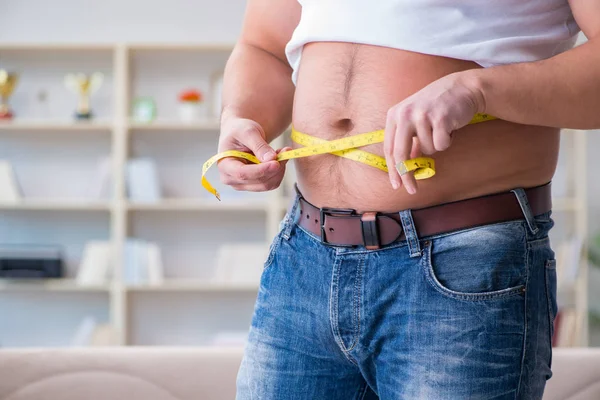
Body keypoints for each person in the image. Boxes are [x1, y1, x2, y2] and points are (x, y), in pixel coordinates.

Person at [217, 0, 600, 398]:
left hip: (462, 264)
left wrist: (477, 89)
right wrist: (242, 116)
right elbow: (264, 47)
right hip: (304, 258)